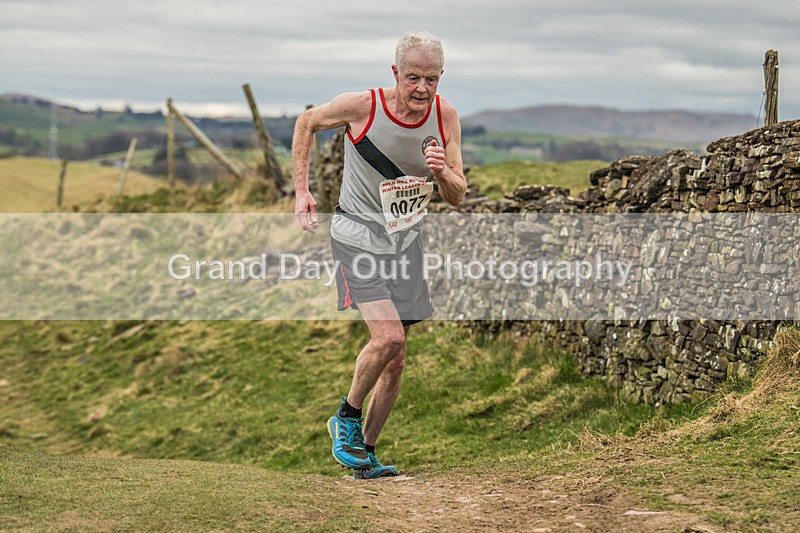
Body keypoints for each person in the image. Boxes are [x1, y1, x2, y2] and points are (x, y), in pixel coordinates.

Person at [292, 31, 466, 479]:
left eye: (431, 79)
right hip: (357, 237)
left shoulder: (445, 115)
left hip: (406, 242)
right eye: (413, 78)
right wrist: (302, 192)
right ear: (395, 74)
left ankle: (364, 455)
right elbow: (307, 121)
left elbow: (458, 194)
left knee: (398, 355)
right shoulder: (363, 106)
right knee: (388, 338)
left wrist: (442, 170)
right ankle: (345, 418)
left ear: (441, 77)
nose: (422, 89)